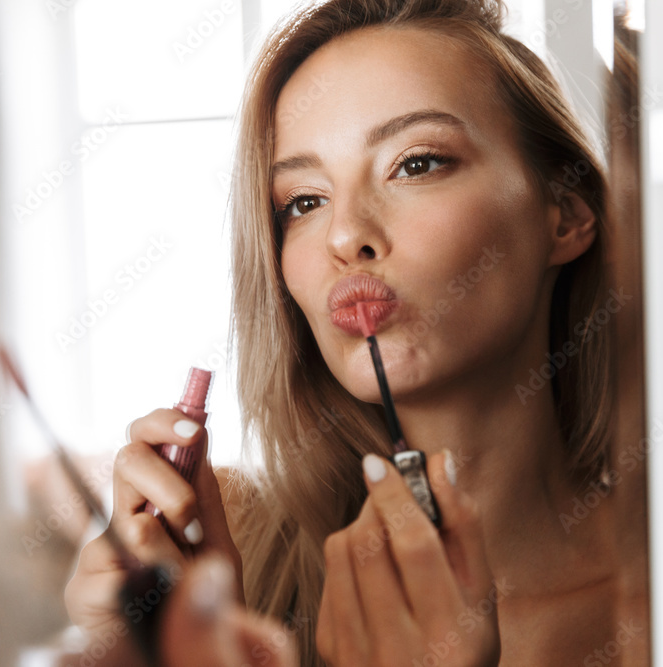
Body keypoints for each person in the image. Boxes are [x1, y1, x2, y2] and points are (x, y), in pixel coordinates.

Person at [66, 0, 631, 664]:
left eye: (415, 164)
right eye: (304, 202)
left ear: (565, 214)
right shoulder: (231, 567)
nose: (344, 235)